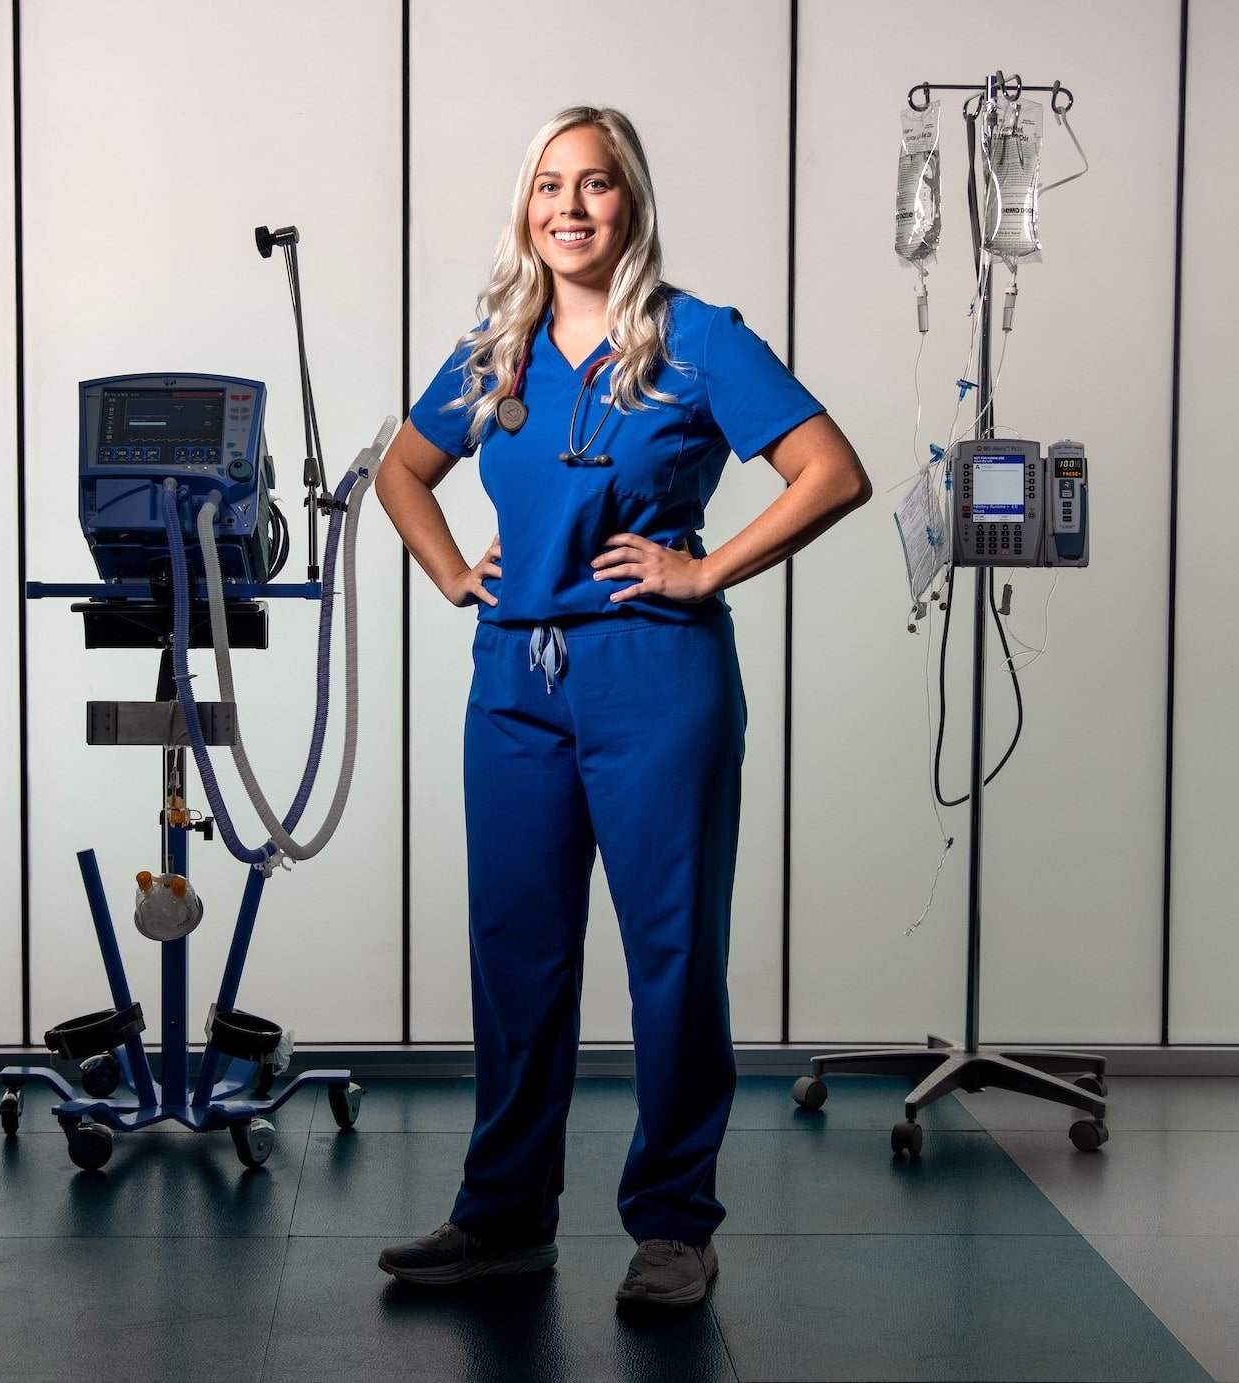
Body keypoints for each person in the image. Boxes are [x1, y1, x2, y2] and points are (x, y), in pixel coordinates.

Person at [372, 105, 870, 1309]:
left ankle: (671, 1226)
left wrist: (701, 568)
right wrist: (450, 569)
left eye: (594, 185)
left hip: (656, 676)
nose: (570, 208)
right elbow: (399, 468)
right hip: (516, 685)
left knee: (670, 956)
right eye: (549, 185)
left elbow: (831, 472)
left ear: (630, 202)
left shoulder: (696, 339)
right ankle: (501, 1218)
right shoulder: (495, 348)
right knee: (517, 955)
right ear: (525, 207)